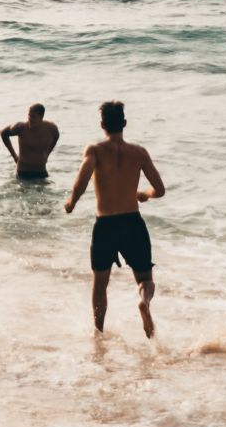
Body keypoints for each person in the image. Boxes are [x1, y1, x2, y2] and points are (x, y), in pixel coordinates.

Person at [64, 101, 165, 338]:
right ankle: (143, 301)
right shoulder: (138, 153)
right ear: (125, 124)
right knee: (145, 279)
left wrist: (71, 203)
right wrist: (144, 195)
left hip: (106, 225)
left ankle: (98, 332)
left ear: (102, 125)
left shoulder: (95, 150)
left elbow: (82, 180)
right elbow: (159, 189)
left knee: (100, 283)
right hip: (133, 222)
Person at [0, 103, 60, 179]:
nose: (30, 119)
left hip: (41, 171)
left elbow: (56, 136)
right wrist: (14, 156)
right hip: (23, 172)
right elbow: (3, 133)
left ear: (41, 117)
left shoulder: (50, 128)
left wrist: (47, 153)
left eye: (33, 117)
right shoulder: (20, 127)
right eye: (29, 116)